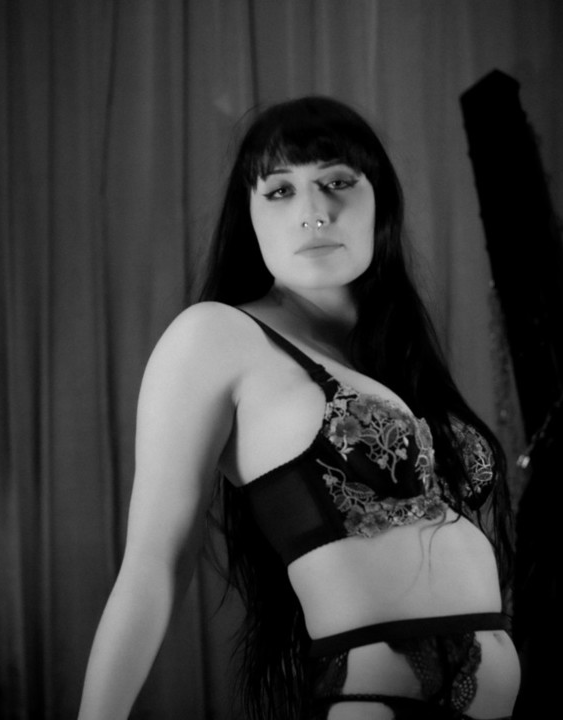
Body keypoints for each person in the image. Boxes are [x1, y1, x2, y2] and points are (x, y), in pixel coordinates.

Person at [78, 96, 519, 720]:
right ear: (250, 219)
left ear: (380, 203)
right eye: (280, 191)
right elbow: (154, 566)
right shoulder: (217, 337)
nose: (314, 212)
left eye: (337, 182)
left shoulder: (392, 358)